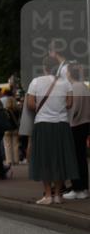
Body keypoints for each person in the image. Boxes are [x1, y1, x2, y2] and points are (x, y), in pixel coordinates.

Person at [27, 57, 77, 205]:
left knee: (44, 160)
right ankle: (58, 195)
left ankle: (48, 195)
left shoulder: (35, 82)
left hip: (43, 124)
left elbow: (30, 104)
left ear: (44, 68)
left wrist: (45, 108)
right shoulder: (66, 83)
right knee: (60, 159)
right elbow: (69, 104)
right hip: (61, 125)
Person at [63, 64, 90, 201]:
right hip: (85, 124)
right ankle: (83, 187)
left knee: (74, 159)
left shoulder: (75, 88)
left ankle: (77, 188)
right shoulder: (84, 86)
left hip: (75, 126)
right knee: (81, 158)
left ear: (69, 74)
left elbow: (73, 110)